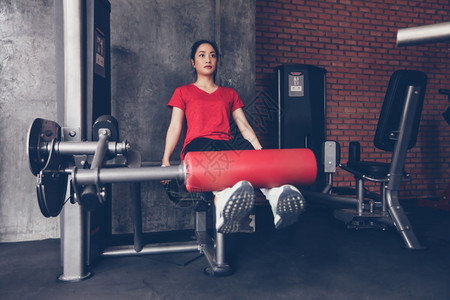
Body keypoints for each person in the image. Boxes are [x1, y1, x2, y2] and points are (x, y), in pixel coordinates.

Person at [162, 40, 305, 234]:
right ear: (193, 62)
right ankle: (222, 199)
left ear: (217, 61)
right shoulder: (183, 92)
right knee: (215, 155)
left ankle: (275, 197)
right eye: (202, 55)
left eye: (213, 55)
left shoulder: (229, 94)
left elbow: (244, 127)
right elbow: (175, 127)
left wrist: (259, 153)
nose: (208, 59)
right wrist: (166, 160)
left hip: (225, 145)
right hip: (198, 148)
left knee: (246, 151)